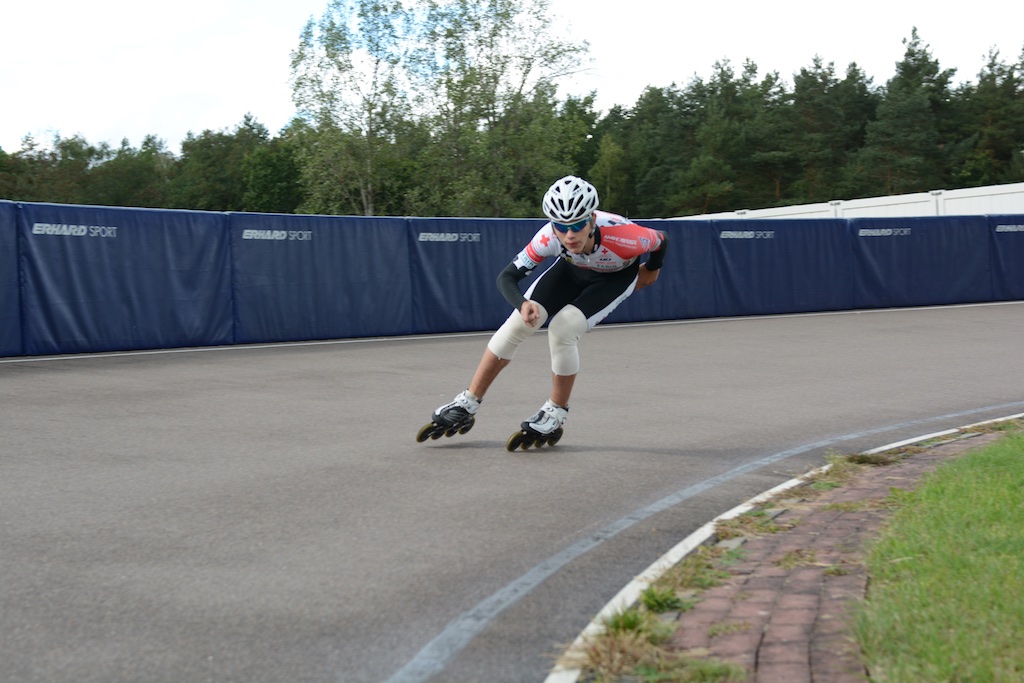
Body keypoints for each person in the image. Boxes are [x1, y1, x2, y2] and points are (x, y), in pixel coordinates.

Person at [425, 175, 668, 443]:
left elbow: (661, 239)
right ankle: (467, 402)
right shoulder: (548, 237)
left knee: (563, 329)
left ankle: (556, 411)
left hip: (614, 278)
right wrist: (522, 304)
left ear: (592, 220)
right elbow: (507, 277)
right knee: (518, 323)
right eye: (561, 227)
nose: (569, 235)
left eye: (577, 225)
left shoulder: (625, 236)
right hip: (572, 270)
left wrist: (652, 269)